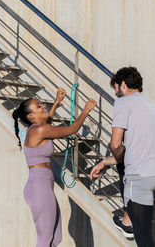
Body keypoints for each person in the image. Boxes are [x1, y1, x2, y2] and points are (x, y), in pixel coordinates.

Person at [90, 67, 155, 247]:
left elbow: (116, 144)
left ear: (123, 85)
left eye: (115, 88)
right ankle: (126, 222)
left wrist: (116, 159)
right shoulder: (152, 105)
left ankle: (126, 223)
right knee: (145, 235)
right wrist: (105, 162)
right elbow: (134, 148)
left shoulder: (123, 103)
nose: (116, 93)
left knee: (143, 238)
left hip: (139, 178)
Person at [13, 87, 96, 247]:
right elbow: (71, 130)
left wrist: (57, 101)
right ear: (31, 117)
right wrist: (85, 110)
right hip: (39, 188)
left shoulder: (37, 128)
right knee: (45, 240)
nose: (43, 106)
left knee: (55, 238)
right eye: (38, 106)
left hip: (41, 187)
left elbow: (48, 119)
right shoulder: (39, 130)